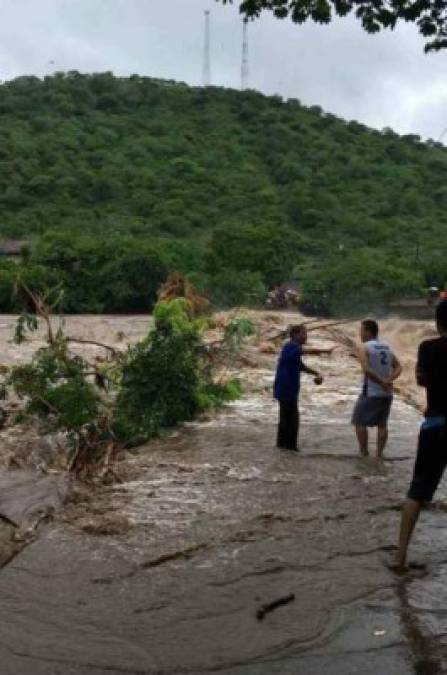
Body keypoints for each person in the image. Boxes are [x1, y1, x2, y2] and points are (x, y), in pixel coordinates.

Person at [395, 299, 447, 571]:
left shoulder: (427, 347)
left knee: (417, 492)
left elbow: (421, 380)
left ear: (438, 323)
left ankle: (400, 556)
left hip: (436, 424)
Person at [274, 324, 332, 452]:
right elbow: (302, 352)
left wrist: (316, 373)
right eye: (303, 334)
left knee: (288, 419)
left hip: (289, 389)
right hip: (285, 389)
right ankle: (288, 447)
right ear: (295, 335)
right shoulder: (291, 346)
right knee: (290, 420)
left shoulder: (293, 348)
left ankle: (284, 447)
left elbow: (300, 366)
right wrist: (323, 351)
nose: (306, 336)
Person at [352, 319, 402, 458]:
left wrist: (381, 382)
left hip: (371, 392)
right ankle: (379, 454)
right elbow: (399, 367)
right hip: (387, 393)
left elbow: (367, 370)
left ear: (368, 331)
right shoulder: (386, 346)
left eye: (361, 330)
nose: (360, 333)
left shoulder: (364, 347)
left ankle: (364, 452)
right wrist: (388, 381)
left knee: (359, 421)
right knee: (382, 424)